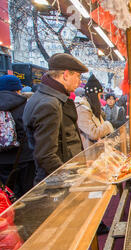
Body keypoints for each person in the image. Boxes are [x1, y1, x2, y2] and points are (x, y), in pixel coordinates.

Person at [23, 53, 88, 184]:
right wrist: (73, 177)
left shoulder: (46, 97)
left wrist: (78, 165)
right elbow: (46, 155)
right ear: (66, 75)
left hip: (62, 175)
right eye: (78, 76)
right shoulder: (49, 104)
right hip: (57, 182)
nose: (80, 81)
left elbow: (64, 141)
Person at [0, 75, 35, 198]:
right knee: (27, 193)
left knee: (6, 194)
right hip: (24, 156)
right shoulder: (24, 104)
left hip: (2, 160)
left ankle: (8, 215)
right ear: (18, 89)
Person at [75, 74, 114, 150]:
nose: (100, 98)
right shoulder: (82, 109)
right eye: (99, 95)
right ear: (94, 95)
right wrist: (108, 125)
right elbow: (93, 133)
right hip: (88, 151)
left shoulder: (91, 107)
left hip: (96, 149)